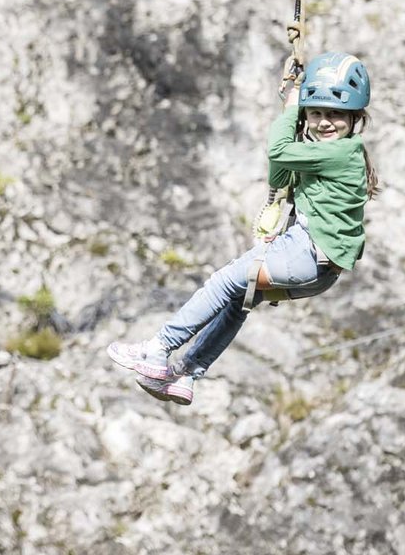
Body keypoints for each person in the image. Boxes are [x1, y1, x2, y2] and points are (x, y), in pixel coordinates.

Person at [106, 51, 379, 405]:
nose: (324, 122)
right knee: (239, 297)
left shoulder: (341, 153)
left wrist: (294, 104)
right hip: (319, 269)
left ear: (355, 118)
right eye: (317, 113)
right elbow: (279, 174)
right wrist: (293, 108)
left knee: (223, 281)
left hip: (306, 251)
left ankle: (157, 349)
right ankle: (187, 372)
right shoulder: (325, 153)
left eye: (335, 114)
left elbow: (278, 152)